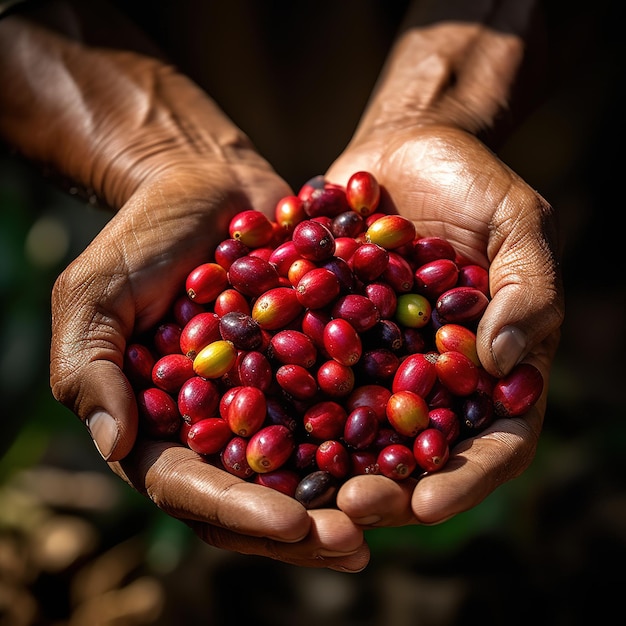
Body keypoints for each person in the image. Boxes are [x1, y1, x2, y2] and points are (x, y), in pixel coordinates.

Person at [0, 0, 564, 572]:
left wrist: (431, 112)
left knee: (541, 282)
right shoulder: (269, 321)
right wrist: (160, 156)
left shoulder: (355, 309)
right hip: (163, 57)